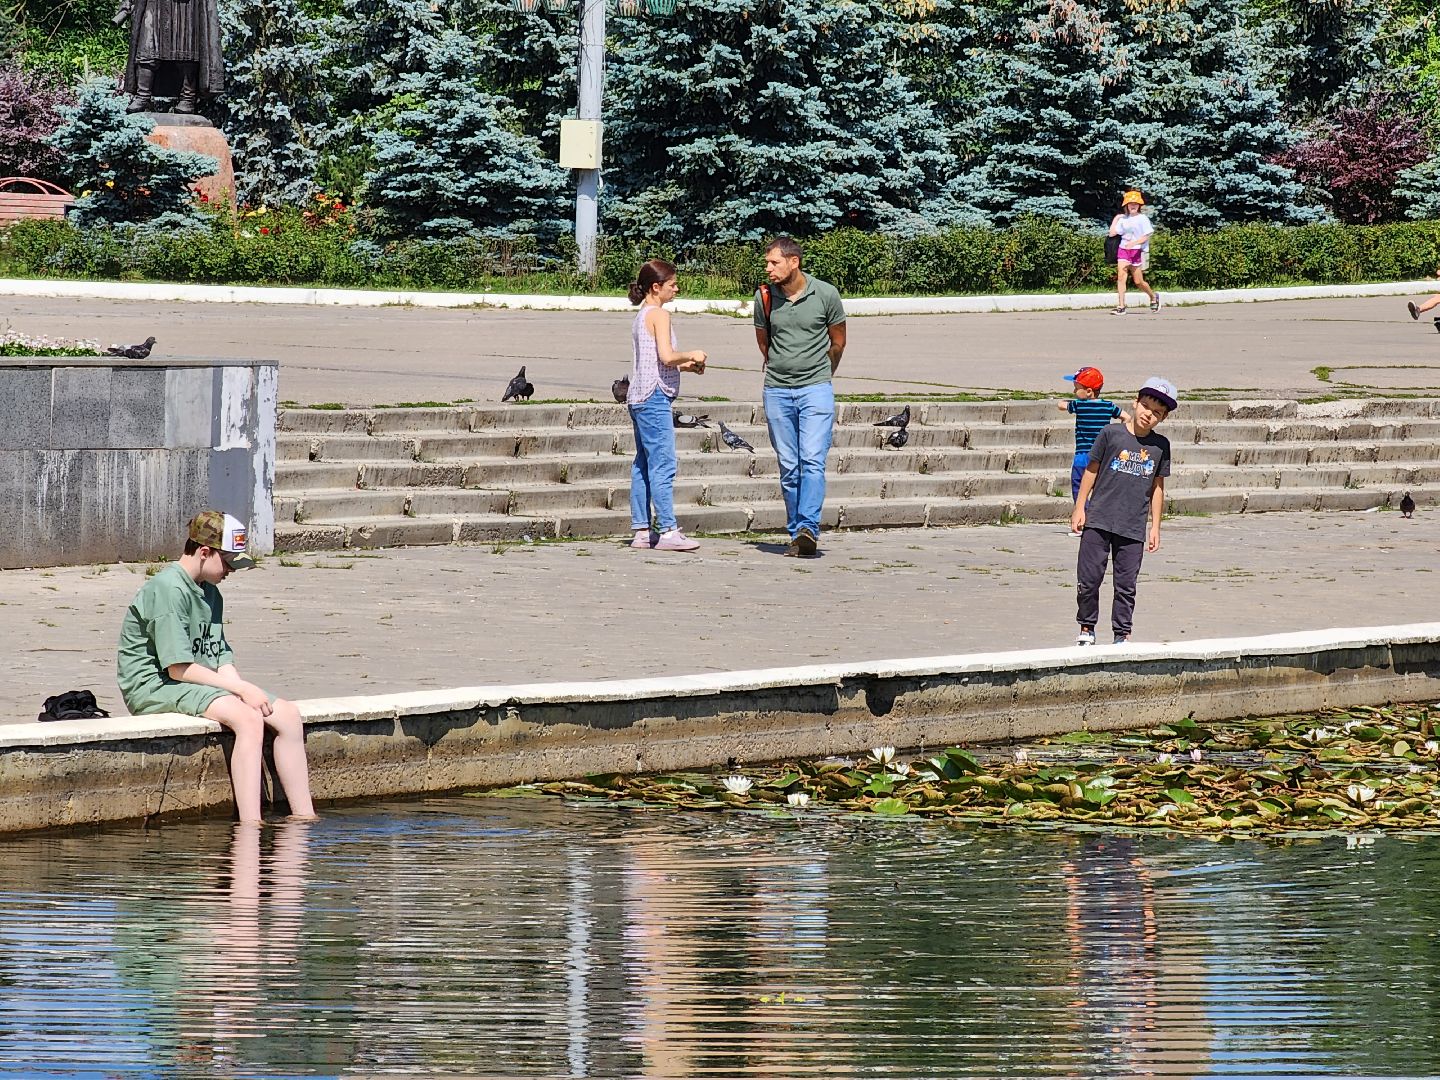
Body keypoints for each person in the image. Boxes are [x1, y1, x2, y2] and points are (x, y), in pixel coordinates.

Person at [116, 510, 315, 822]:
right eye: (228, 562)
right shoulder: (168, 589)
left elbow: (218, 656)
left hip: (195, 683)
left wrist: (243, 688)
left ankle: (304, 819)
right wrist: (239, 690)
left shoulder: (212, 593)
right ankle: (251, 825)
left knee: (288, 715)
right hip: (155, 686)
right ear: (204, 552)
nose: (232, 570)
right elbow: (177, 669)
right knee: (249, 720)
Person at [753, 235, 847, 558]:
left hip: (816, 390)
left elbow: (838, 341)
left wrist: (821, 374)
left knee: (812, 460)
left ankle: (808, 527)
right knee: (789, 466)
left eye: (774, 262)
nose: (768, 269)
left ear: (794, 262)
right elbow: (763, 342)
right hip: (777, 390)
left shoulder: (826, 294)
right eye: (767, 262)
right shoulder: (764, 297)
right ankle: (797, 533)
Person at [1070, 377, 1176, 647]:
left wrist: (1155, 527)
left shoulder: (1160, 447)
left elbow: (1158, 488)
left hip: (1132, 526)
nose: (1148, 414)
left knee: (1126, 585)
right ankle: (1086, 628)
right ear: (1135, 402)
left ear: (1162, 418)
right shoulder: (1111, 434)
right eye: (1146, 406)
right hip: (1099, 519)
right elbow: (1091, 471)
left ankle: (1122, 634)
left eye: (1156, 413)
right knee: (1089, 578)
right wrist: (1080, 507)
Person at [626, 258, 708, 552]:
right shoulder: (659, 315)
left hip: (638, 396)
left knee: (643, 464)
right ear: (656, 287)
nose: (677, 288)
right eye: (672, 284)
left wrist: (685, 366)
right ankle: (669, 530)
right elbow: (665, 355)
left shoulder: (642, 314)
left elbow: (656, 359)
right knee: (663, 463)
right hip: (654, 397)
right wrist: (693, 354)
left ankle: (642, 530)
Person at [115, 0, 225, 114]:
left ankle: (187, 98)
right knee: (147, 48)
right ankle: (142, 96)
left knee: (186, 49)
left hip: (187, 5)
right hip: (155, 4)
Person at [1057, 365, 1128, 513]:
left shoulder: (1079, 405)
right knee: (1099, 489)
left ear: (1089, 391)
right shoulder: (1108, 406)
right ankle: (1097, 518)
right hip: (1101, 456)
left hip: (1082, 456)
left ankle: (1082, 517)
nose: (1074, 391)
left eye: (1076, 388)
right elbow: (1126, 417)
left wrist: (1063, 402)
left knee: (1079, 487)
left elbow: (1061, 405)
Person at [1108, 191, 1160, 316]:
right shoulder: (1123, 219)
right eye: (1130, 203)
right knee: (1121, 276)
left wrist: (1134, 243)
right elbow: (1112, 233)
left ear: (1139, 206)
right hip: (1123, 250)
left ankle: (1153, 297)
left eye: (1135, 203)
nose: (1133, 206)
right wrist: (1116, 219)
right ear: (1126, 205)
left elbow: (1146, 236)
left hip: (1138, 251)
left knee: (1138, 282)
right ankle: (1121, 306)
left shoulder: (1142, 218)